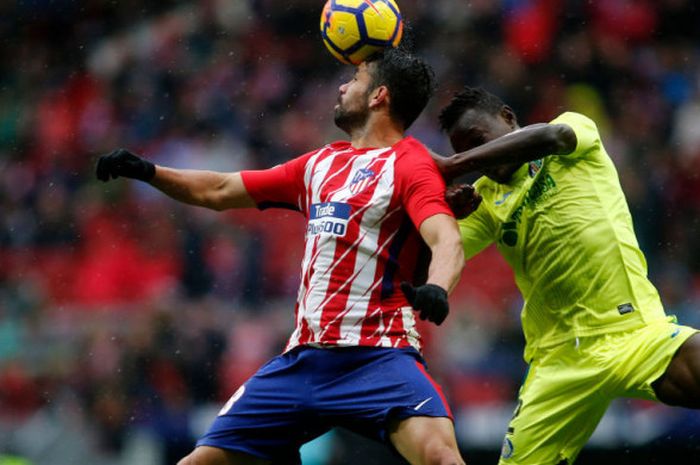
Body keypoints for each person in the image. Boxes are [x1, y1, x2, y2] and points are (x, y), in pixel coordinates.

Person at [96, 49, 466, 465]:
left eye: (356, 80)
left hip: (377, 355)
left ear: (379, 96)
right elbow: (219, 190)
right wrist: (149, 171)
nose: (343, 87)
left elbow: (447, 238)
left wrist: (438, 286)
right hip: (303, 360)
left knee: (441, 458)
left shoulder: (411, 164)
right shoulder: (320, 164)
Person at [435, 86, 700, 465]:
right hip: (558, 362)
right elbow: (440, 250)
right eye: (468, 152)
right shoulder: (484, 198)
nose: (483, 162)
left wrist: (454, 163)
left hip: (634, 334)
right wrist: (441, 208)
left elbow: (551, 136)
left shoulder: (569, 130)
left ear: (508, 118)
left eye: (479, 143)